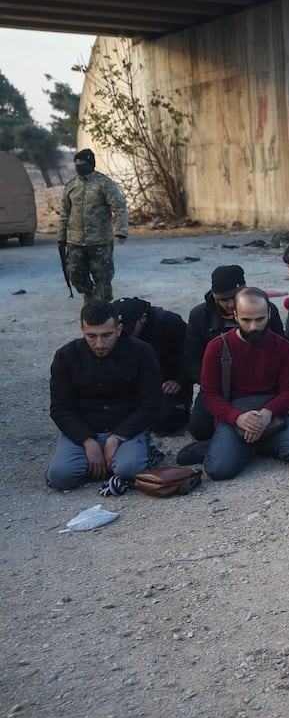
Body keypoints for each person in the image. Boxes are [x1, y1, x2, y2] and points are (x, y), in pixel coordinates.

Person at [199, 287, 289, 480]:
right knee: (219, 469)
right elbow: (210, 395)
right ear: (234, 316)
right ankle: (236, 444)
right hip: (234, 413)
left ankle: (244, 446)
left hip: (272, 412)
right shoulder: (216, 348)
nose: (254, 326)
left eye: (260, 319)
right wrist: (237, 418)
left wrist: (267, 414)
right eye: (246, 320)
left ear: (269, 313)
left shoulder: (283, 347)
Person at [47, 300, 161, 492]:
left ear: (119, 329)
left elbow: (151, 403)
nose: (99, 343)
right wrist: (87, 441)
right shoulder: (66, 356)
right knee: (60, 477)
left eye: (106, 335)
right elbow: (61, 408)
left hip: (126, 427)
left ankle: (146, 451)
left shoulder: (142, 352)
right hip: (84, 428)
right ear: (82, 330)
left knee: (129, 470)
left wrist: (117, 437)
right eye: (91, 336)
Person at [183, 265, 282, 441]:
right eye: (223, 300)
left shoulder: (266, 310)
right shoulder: (199, 315)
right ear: (214, 297)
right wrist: (211, 383)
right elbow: (191, 357)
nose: (229, 304)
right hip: (217, 384)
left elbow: (281, 348)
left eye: (233, 298)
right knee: (200, 429)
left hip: (259, 383)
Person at [112, 297, 191, 435]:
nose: (125, 336)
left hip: (168, 382)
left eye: (130, 329)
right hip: (139, 382)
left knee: (164, 423)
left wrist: (181, 380)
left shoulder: (168, 322)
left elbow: (194, 353)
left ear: (143, 318)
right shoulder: (111, 332)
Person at [58, 148, 128, 304]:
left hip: (99, 241)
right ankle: (89, 296)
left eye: (82, 162)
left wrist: (121, 231)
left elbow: (119, 206)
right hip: (75, 241)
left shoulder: (104, 183)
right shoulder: (71, 186)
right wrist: (61, 237)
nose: (78, 165)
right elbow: (64, 213)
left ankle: (103, 307)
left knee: (103, 276)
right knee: (76, 274)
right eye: (76, 162)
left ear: (90, 163)